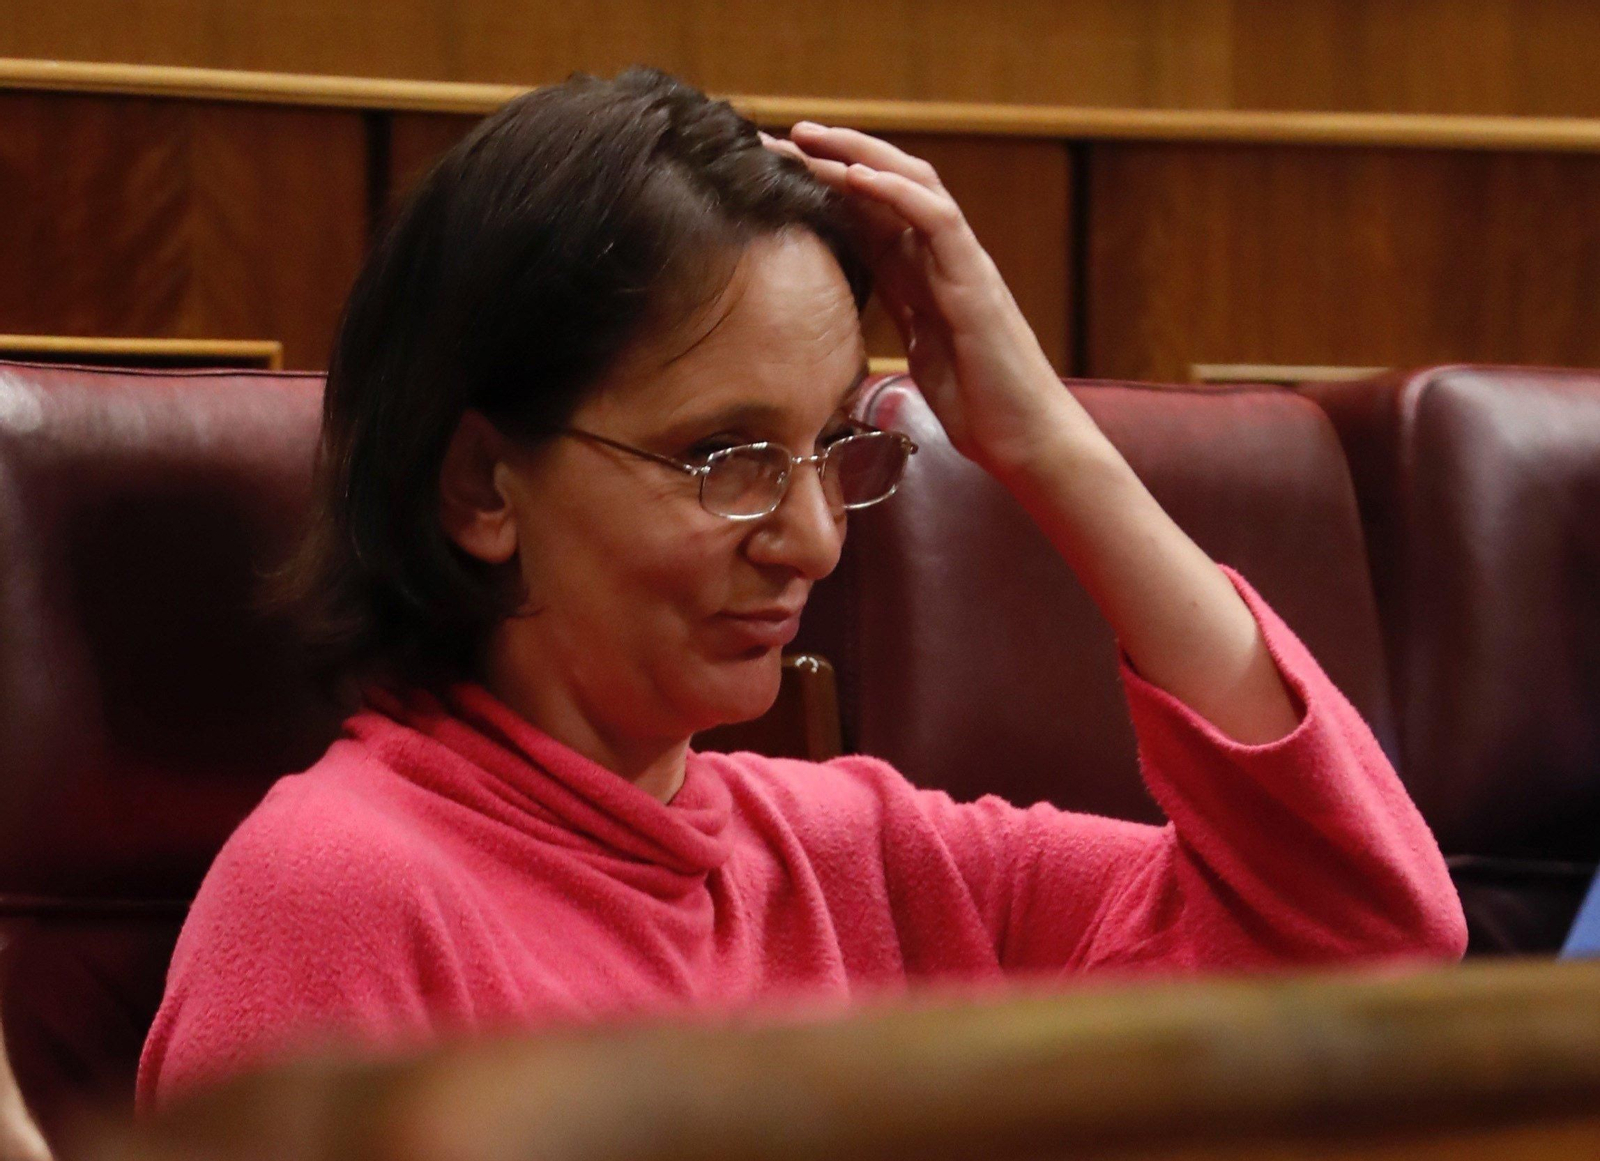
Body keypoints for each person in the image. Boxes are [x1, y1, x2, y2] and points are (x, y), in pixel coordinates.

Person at [137, 68, 1466, 1109]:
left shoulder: (863, 856)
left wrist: (1041, 438)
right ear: (483, 484)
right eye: (726, 456)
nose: (816, 537)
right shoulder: (334, 901)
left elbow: (1368, 946)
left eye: (837, 444)